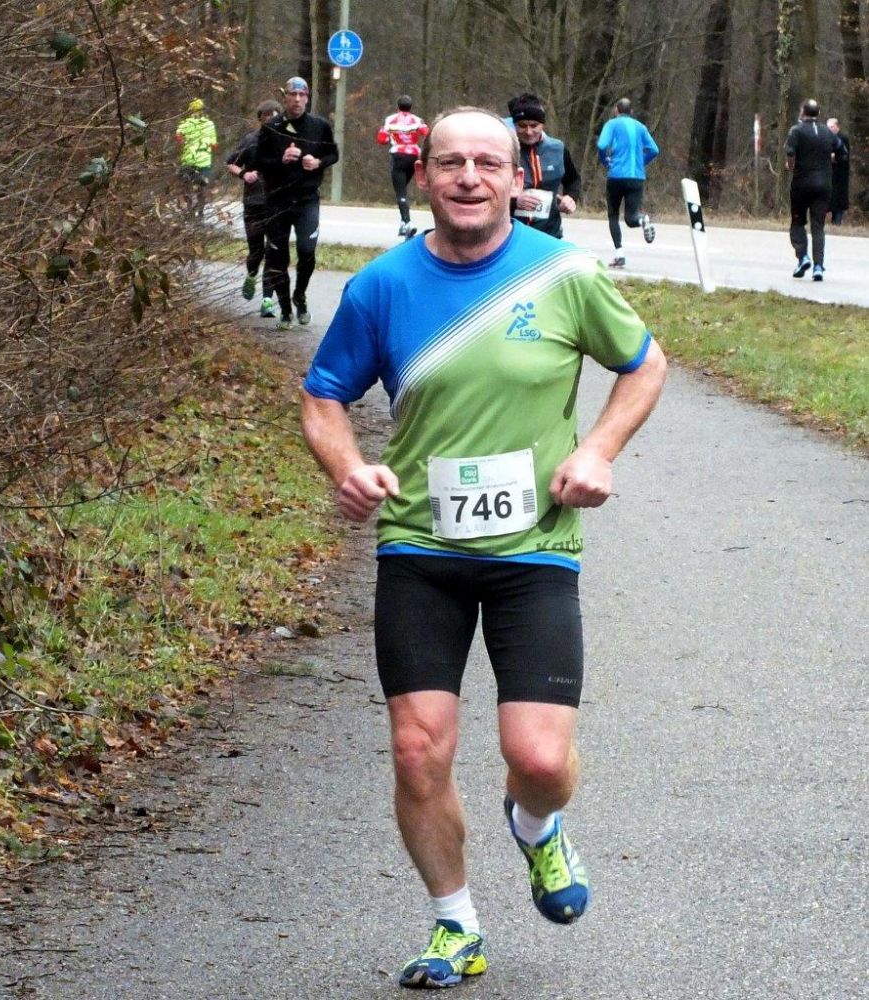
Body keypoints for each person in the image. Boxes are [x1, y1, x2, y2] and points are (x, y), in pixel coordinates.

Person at [300, 107, 667, 989]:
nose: (468, 177)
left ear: (516, 178)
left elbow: (644, 364)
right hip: (419, 545)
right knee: (416, 748)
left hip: (533, 549)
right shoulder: (381, 286)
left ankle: (536, 825)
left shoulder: (564, 274)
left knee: (538, 759)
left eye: (487, 163)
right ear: (423, 174)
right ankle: (454, 924)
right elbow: (323, 396)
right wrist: (347, 467)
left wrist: (597, 450)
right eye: (450, 162)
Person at [254, 77, 339, 327]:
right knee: (277, 256)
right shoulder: (271, 128)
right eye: (293, 95)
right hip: (277, 201)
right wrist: (281, 159)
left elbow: (333, 153)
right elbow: (258, 163)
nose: (298, 100)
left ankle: (299, 295)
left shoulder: (319, 126)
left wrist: (318, 162)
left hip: (307, 200)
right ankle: (285, 310)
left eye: (302, 95)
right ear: (286, 98)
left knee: (307, 251)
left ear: (307, 98)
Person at [225, 99, 282, 302]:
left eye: (275, 116)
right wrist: (244, 174)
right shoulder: (250, 141)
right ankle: (251, 274)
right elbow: (230, 163)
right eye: (267, 116)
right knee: (256, 251)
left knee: (273, 250)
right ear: (260, 119)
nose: (271, 119)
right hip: (254, 204)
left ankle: (267, 299)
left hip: (277, 205)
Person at [785, 99, 845, 282]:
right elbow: (842, 152)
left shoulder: (796, 131)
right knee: (818, 226)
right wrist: (830, 159)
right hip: (823, 185)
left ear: (803, 112)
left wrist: (791, 166)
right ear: (818, 113)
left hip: (802, 183)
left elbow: (790, 152)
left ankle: (803, 257)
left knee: (797, 222)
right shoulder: (827, 132)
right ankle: (818, 267)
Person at [507, 93, 580, 240]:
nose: (528, 132)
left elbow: (573, 180)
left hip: (550, 233)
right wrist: (514, 201)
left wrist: (570, 198)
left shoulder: (558, 148)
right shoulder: (505, 149)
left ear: (543, 124)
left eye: (534, 126)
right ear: (514, 125)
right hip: (510, 234)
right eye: (522, 126)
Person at [596, 97, 659, 268]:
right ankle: (643, 220)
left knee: (613, 215)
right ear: (631, 112)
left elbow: (601, 145)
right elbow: (654, 149)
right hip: (636, 177)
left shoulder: (612, 124)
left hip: (616, 176)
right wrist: (641, 162)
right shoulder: (640, 127)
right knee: (631, 218)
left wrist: (605, 160)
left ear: (616, 110)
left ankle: (620, 254)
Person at [377, 95, 430, 239]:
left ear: (398, 106)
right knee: (403, 189)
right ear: (411, 106)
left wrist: (390, 138)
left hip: (398, 155)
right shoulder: (417, 120)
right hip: (413, 155)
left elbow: (381, 139)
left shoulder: (390, 119)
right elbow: (427, 133)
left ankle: (407, 222)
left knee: (400, 191)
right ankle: (403, 223)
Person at [175, 98, 218, 220]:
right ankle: (200, 213)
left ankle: (189, 210)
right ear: (203, 110)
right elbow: (214, 145)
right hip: (204, 161)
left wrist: (186, 143)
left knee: (185, 185)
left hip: (188, 159)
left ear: (189, 111)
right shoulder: (209, 124)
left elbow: (178, 138)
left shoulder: (184, 124)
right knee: (202, 187)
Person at [826, 117, 851, 226]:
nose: (829, 129)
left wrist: (834, 157)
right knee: (827, 200)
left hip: (840, 175)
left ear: (837, 127)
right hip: (828, 175)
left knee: (838, 202)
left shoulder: (843, 139)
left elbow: (845, 157)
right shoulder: (825, 138)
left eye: (832, 127)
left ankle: (837, 223)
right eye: (828, 127)